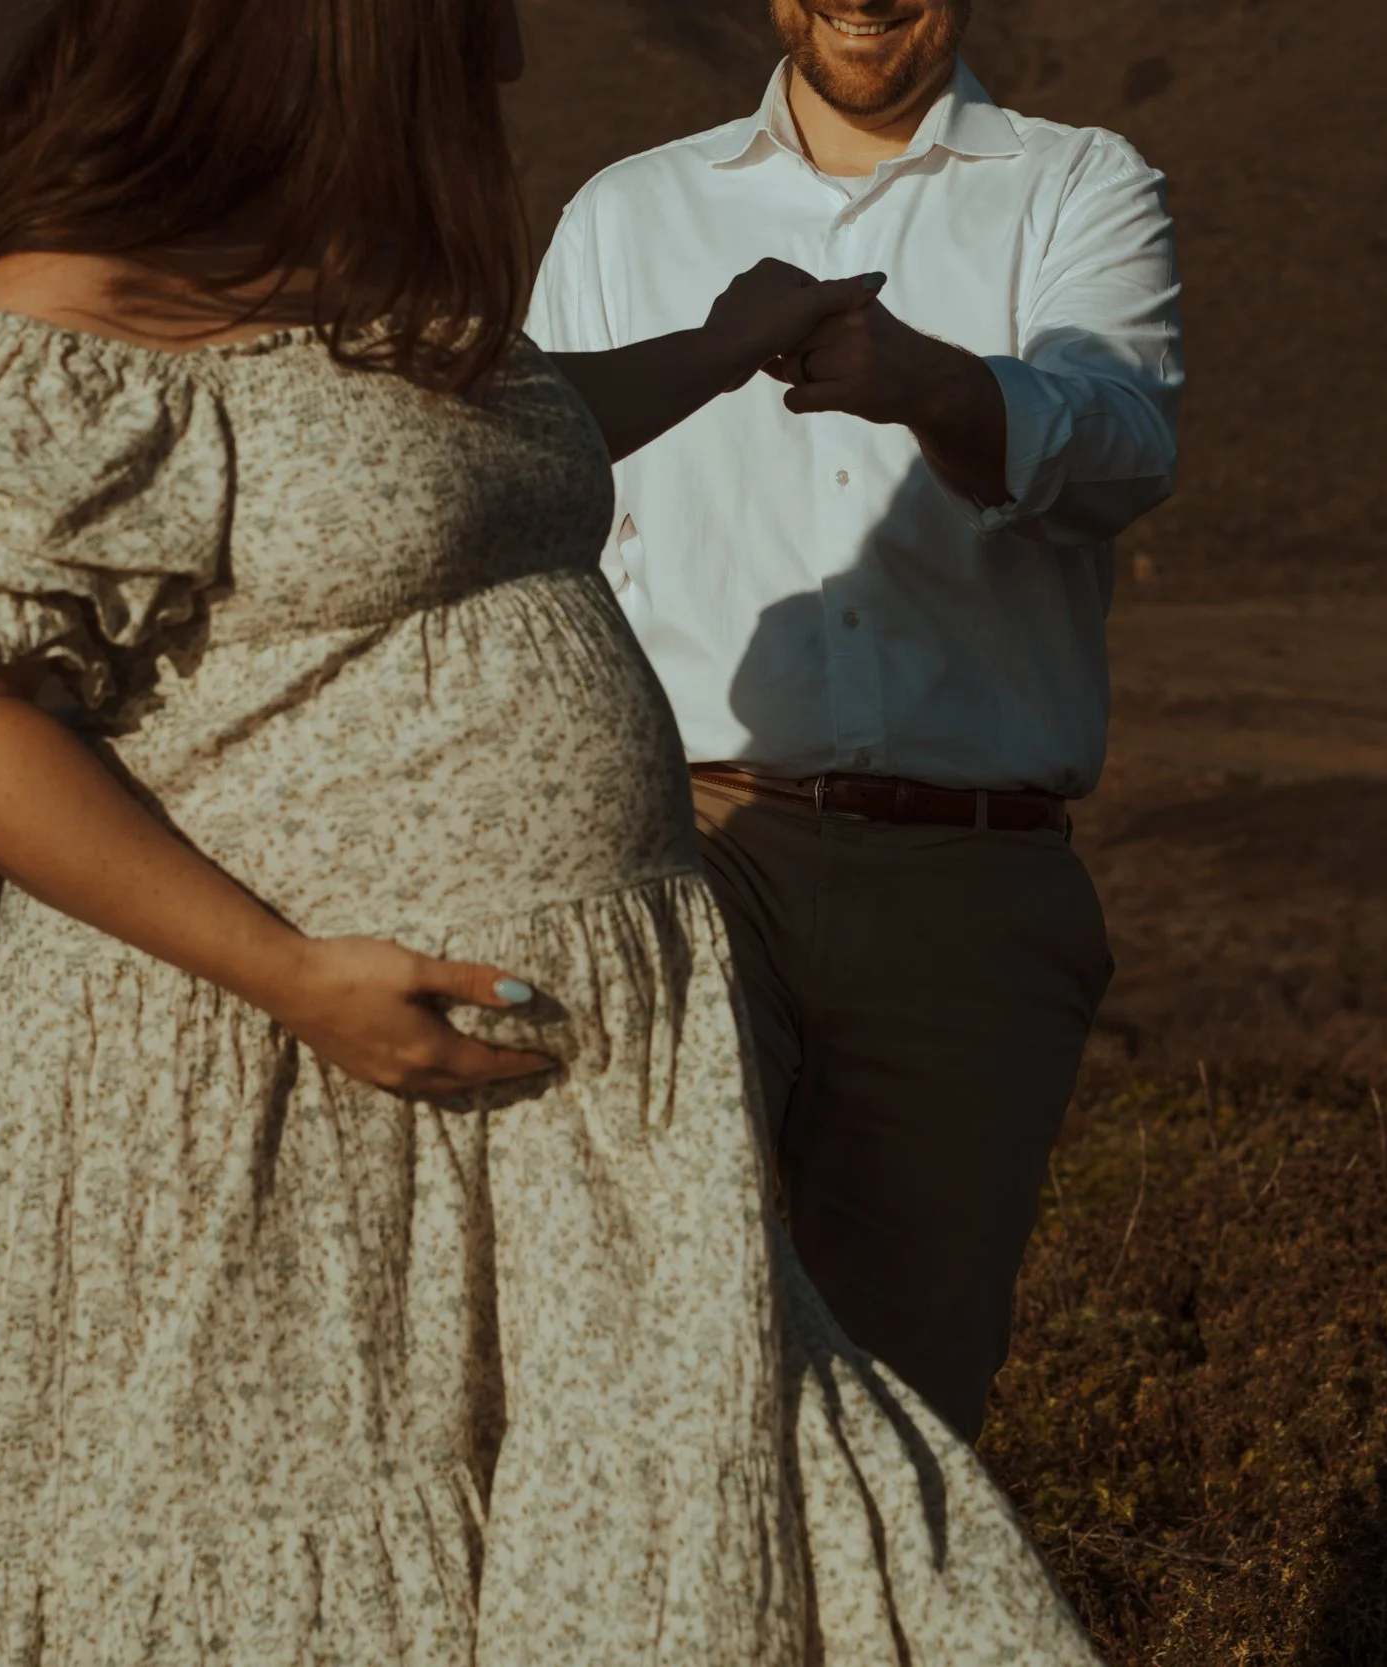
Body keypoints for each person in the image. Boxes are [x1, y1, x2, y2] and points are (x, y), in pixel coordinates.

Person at [0, 0, 1104, 1660]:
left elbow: (489, 453)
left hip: (570, 1092)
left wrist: (733, 341)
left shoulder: (359, 294)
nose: (510, 72)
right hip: (270, 1075)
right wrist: (292, 971)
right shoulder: (71, 318)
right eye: (469, 41)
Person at [526, 0, 1184, 1440]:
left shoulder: (1081, 184)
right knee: (635, 1343)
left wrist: (935, 385)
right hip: (685, 849)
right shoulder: (625, 213)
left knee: (907, 1409)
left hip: (968, 879)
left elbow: (1127, 447)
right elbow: (532, 500)